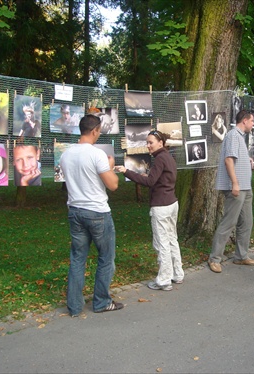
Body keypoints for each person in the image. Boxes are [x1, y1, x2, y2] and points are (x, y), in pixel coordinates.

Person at [60, 114, 122, 316]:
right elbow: (112, 185)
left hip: (75, 211)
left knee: (78, 258)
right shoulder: (97, 155)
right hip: (97, 212)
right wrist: (110, 167)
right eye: (99, 131)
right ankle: (101, 302)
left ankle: (75, 306)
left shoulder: (65, 154)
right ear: (95, 130)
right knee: (106, 257)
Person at [115, 130, 184, 291]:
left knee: (162, 243)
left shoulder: (160, 158)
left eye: (151, 142)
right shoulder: (168, 157)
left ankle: (164, 280)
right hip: (172, 203)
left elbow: (151, 182)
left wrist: (127, 172)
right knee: (172, 239)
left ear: (160, 143)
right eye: (147, 142)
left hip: (161, 206)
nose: (148, 146)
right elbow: (160, 179)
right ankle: (178, 274)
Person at [208, 110, 254, 273]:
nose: (253, 124)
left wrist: (247, 159)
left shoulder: (239, 137)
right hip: (236, 187)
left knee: (247, 221)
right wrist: (235, 183)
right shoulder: (233, 135)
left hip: (245, 187)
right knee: (229, 222)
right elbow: (229, 159)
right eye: (252, 121)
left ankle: (241, 256)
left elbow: (235, 158)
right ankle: (215, 258)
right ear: (244, 120)